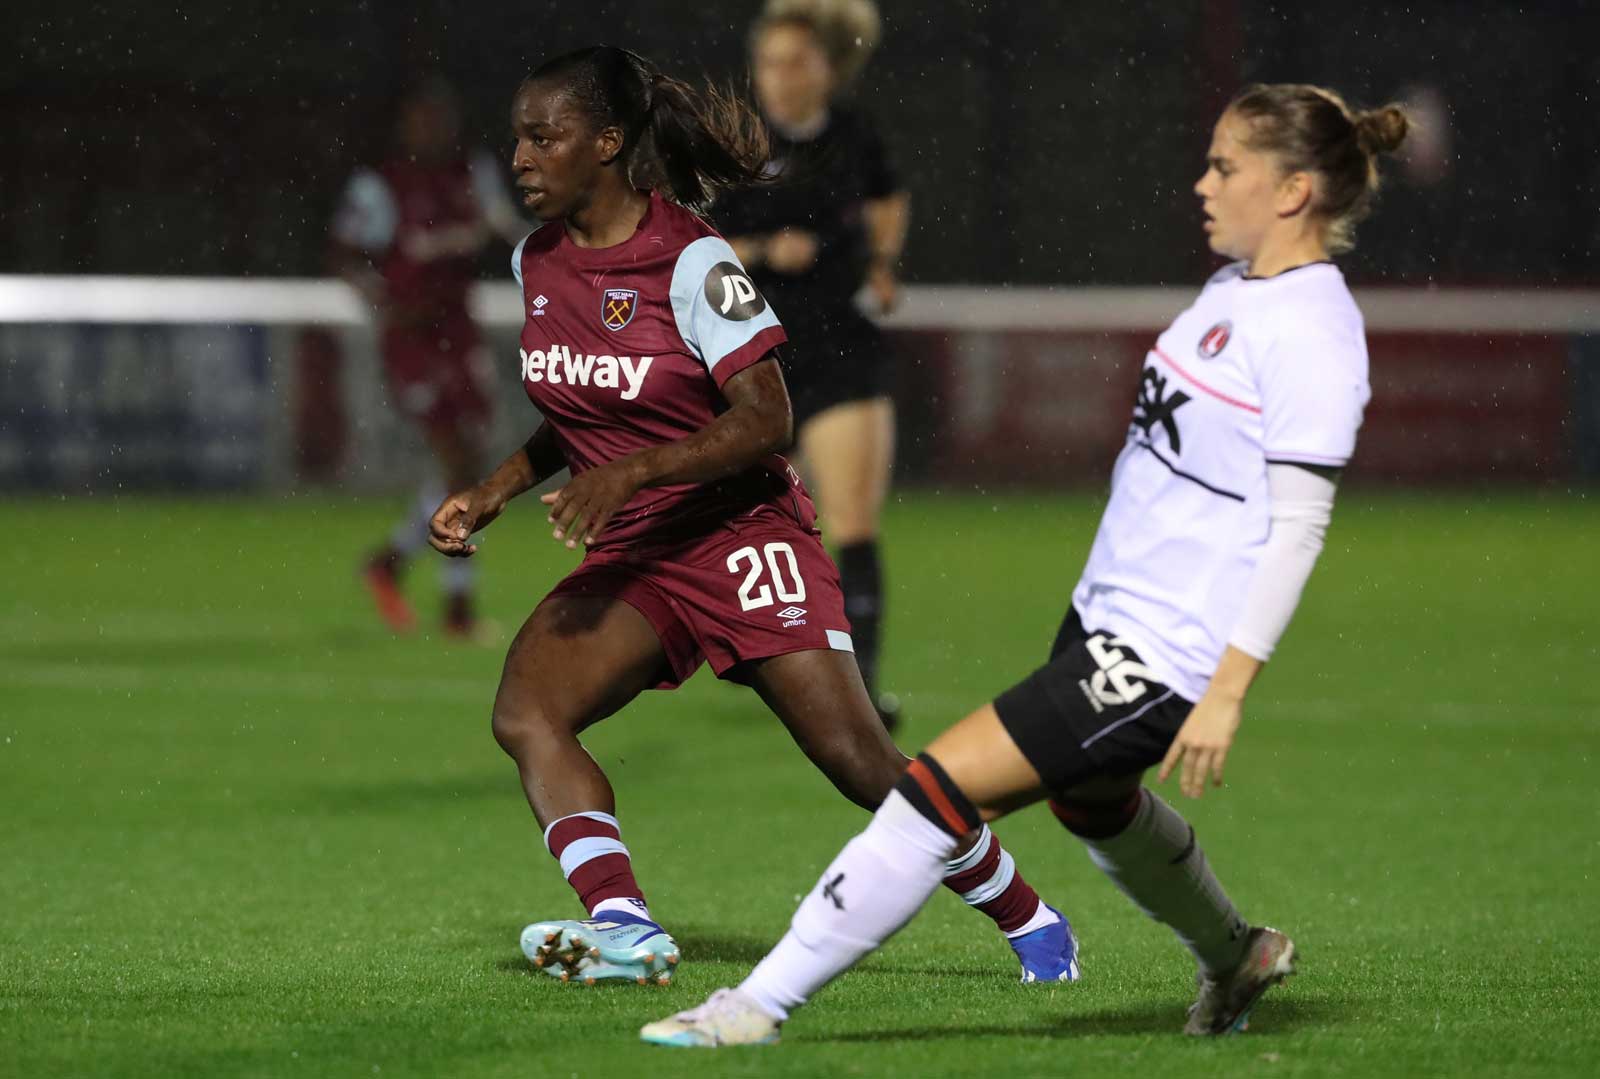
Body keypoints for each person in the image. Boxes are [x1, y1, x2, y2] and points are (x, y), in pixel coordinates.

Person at [643, 82, 1410, 1047]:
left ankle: (753, 1007)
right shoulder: (1236, 290)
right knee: (1096, 805)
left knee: (935, 790)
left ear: (1294, 189)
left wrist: (1227, 687)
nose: (1202, 182)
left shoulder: (1313, 330)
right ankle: (1238, 954)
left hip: (1166, 648)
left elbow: (1300, 525)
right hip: (1107, 618)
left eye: (1226, 166)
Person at [427, 46, 1079, 987]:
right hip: (642, 550)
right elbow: (584, 404)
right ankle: (626, 928)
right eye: (517, 138)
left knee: (857, 760)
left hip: (743, 536)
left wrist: (634, 472)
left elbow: (768, 420)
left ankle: (1032, 917)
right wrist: (493, 489)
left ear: (607, 143)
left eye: (545, 136)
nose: (521, 158)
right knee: (529, 711)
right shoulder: (539, 260)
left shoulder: (692, 258)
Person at [715, 0, 909, 727]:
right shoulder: (732, 144)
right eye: (770, 63)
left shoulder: (855, 136)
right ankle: (758, 652)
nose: (782, 77)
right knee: (748, 529)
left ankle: (860, 696)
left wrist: (884, 262)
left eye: (797, 62)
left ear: (829, 69)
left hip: (839, 349)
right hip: (749, 356)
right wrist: (764, 252)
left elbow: (889, 198)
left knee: (852, 520)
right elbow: (686, 251)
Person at [333, 78, 525, 639]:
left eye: (441, 119)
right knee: (459, 461)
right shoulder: (382, 185)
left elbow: (506, 228)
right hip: (413, 340)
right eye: (422, 119)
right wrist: (385, 302)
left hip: (459, 331)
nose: (433, 130)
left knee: (468, 466)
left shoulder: (474, 174)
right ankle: (457, 608)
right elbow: (343, 253)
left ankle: (391, 561)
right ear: (405, 126)